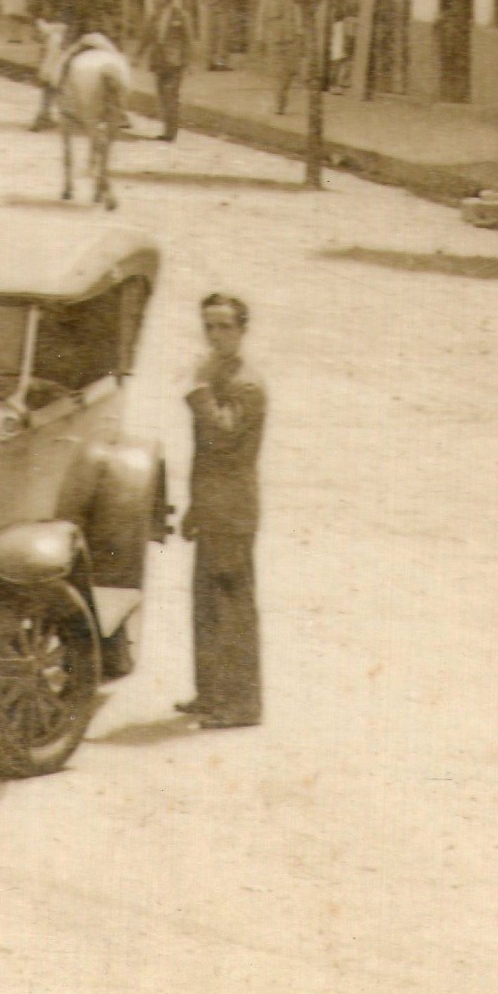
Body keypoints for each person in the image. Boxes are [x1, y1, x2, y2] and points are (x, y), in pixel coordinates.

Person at [177, 292, 266, 730]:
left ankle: (242, 704)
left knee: (232, 608)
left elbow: (225, 437)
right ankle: (212, 694)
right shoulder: (217, 372)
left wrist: (196, 391)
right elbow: (205, 454)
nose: (214, 335)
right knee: (207, 605)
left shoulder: (246, 382)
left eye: (224, 327)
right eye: (208, 326)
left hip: (232, 510)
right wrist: (195, 505)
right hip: (215, 506)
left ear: (242, 331)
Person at [147, 1, 195, 144]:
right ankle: (166, 130)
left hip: (175, 62)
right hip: (159, 62)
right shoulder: (155, 16)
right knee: (162, 97)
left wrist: (188, 62)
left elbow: (188, 40)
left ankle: (171, 133)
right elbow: (147, 36)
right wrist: (138, 54)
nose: (157, 3)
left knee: (171, 96)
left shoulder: (180, 16)